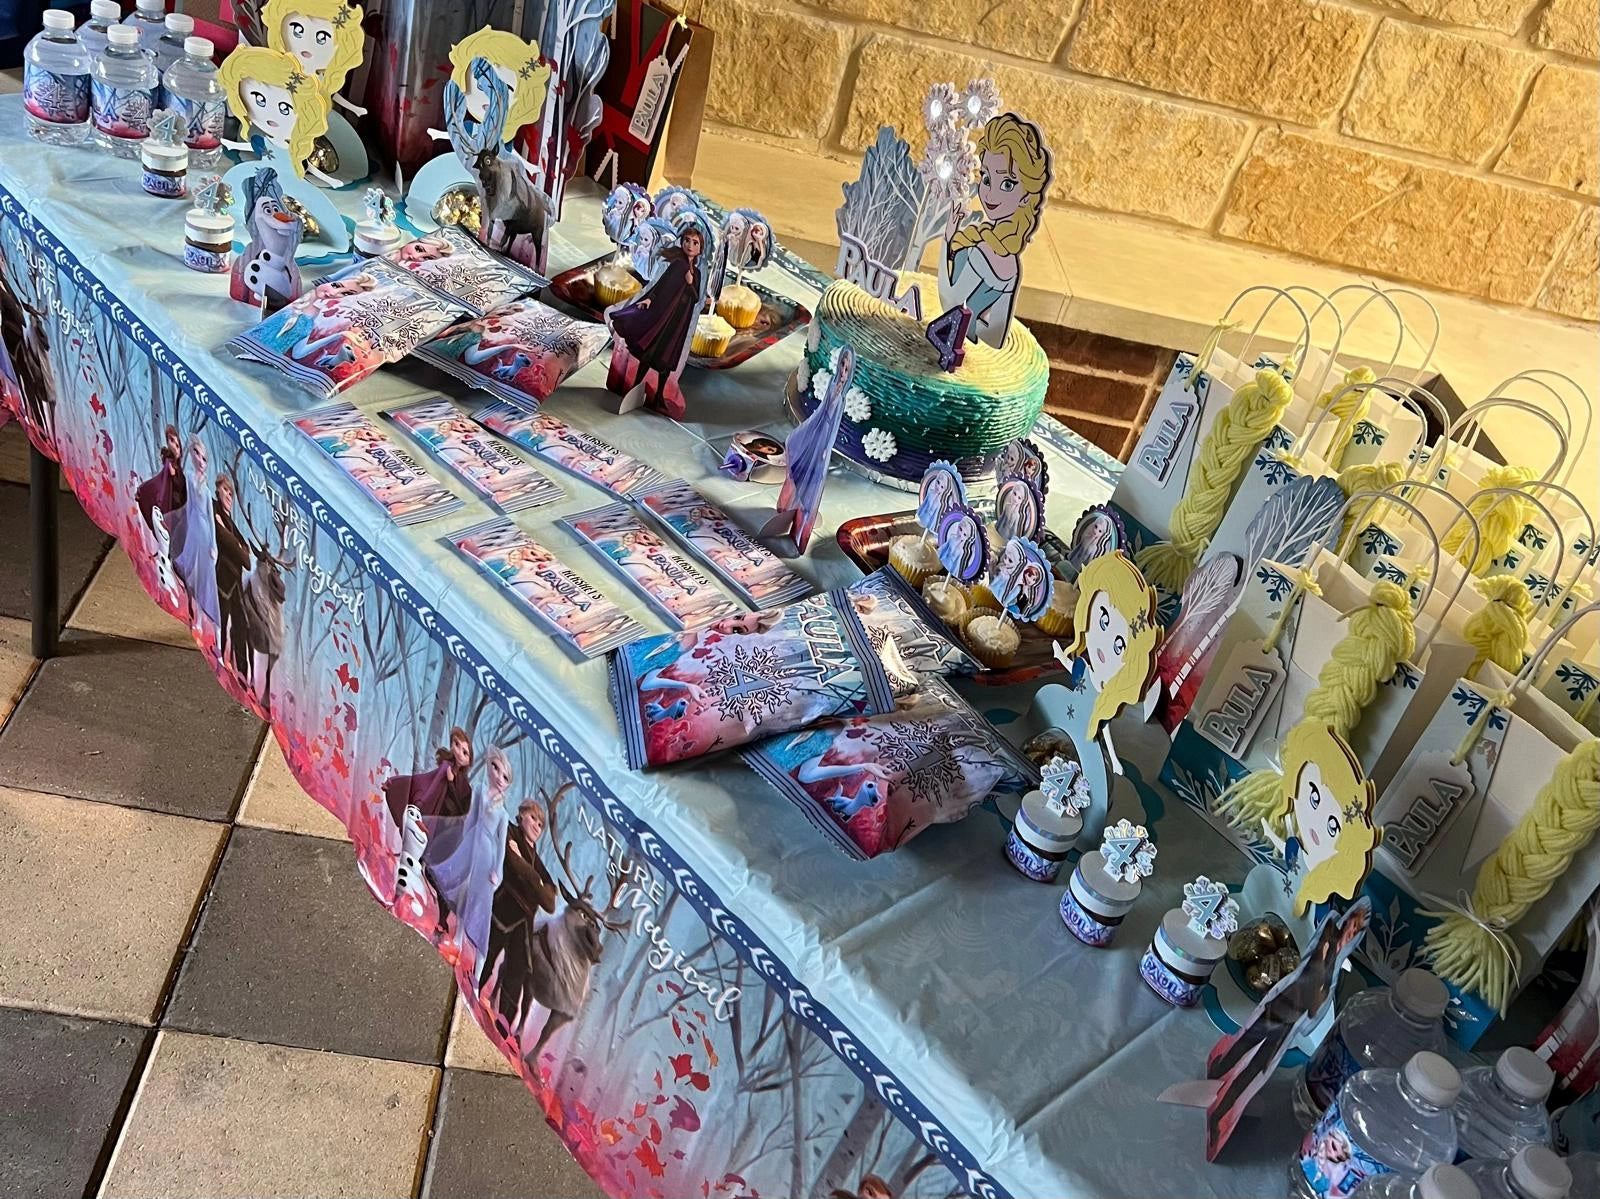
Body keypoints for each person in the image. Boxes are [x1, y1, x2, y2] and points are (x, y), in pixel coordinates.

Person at [938, 113, 1052, 348]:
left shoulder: (981, 251)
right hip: (967, 356)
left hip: (942, 345)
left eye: (1008, 184)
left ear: (1026, 196)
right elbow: (995, 337)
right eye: (986, 178)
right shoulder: (1010, 269)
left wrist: (947, 239)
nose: (990, 194)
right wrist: (970, 326)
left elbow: (947, 302)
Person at [606, 213, 713, 415]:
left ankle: (659, 395)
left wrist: (691, 284)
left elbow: (696, 297)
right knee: (651, 352)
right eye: (687, 241)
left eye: (695, 243)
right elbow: (660, 284)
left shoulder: (698, 273)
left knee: (668, 357)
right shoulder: (676, 264)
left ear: (701, 248)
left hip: (680, 319)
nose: (690, 246)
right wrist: (649, 299)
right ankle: (635, 385)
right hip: (664, 314)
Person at [481, 795, 559, 1036]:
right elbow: (511, 863)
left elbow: (550, 902)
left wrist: (531, 876)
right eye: (533, 818)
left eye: (541, 823)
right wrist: (536, 881)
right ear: (521, 815)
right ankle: (473, 988)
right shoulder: (510, 833)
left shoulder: (538, 860)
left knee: (517, 970)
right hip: (503, 906)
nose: (537, 825)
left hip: (524, 921)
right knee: (489, 953)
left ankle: (503, 1023)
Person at [428, 745, 514, 961]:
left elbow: (501, 845)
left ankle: (459, 936)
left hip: (487, 855)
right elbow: (470, 820)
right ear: (489, 767)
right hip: (471, 843)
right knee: (458, 885)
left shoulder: (503, 813)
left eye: (505, 776)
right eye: (496, 769)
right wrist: (461, 841)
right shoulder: (479, 790)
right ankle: (444, 920)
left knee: (473, 897)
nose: (499, 777)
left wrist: (497, 871)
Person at [166, 436, 220, 632]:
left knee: (203, 573)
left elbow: (211, 518)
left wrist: (213, 544)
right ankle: (189, 604)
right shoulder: (189, 477)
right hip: (194, 526)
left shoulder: (206, 489)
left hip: (205, 531)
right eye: (197, 454)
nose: (200, 460)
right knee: (188, 565)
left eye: (204, 458)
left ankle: (202, 614)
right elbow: (188, 505)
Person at [212, 474, 253, 675]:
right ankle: (219, 659)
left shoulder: (227, 519)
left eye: (231, 492)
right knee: (221, 621)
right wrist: (237, 546)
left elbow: (246, 557)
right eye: (225, 490)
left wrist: (238, 546)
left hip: (234, 582)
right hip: (221, 579)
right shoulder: (213, 509)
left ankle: (242, 671)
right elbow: (225, 540)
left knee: (241, 626)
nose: (229, 495)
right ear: (217, 490)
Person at [135, 425, 187, 531]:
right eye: (171, 441)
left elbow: (181, 488)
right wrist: (143, 490)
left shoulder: (179, 471)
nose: (175, 448)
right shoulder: (169, 465)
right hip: (168, 510)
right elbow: (160, 482)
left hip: (178, 511)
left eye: (177, 445)